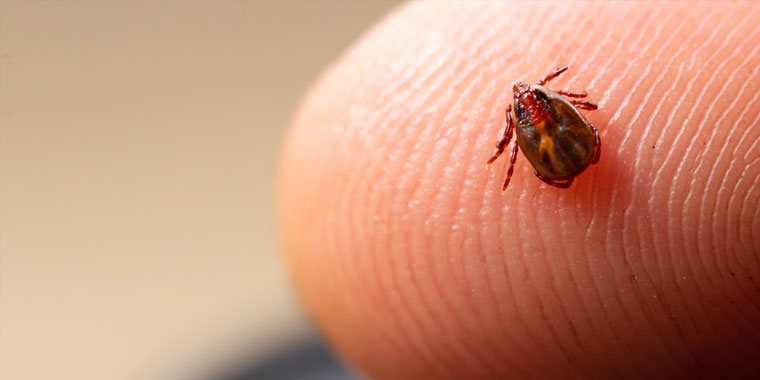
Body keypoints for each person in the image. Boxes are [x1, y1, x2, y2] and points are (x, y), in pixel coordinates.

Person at [277, 2, 760, 378]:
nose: (526, 96)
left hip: (564, 151)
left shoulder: (522, 117)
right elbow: (578, 112)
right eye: (528, 99)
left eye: (531, 96)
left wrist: (515, 154)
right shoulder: (549, 104)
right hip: (571, 146)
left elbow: (520, 144)